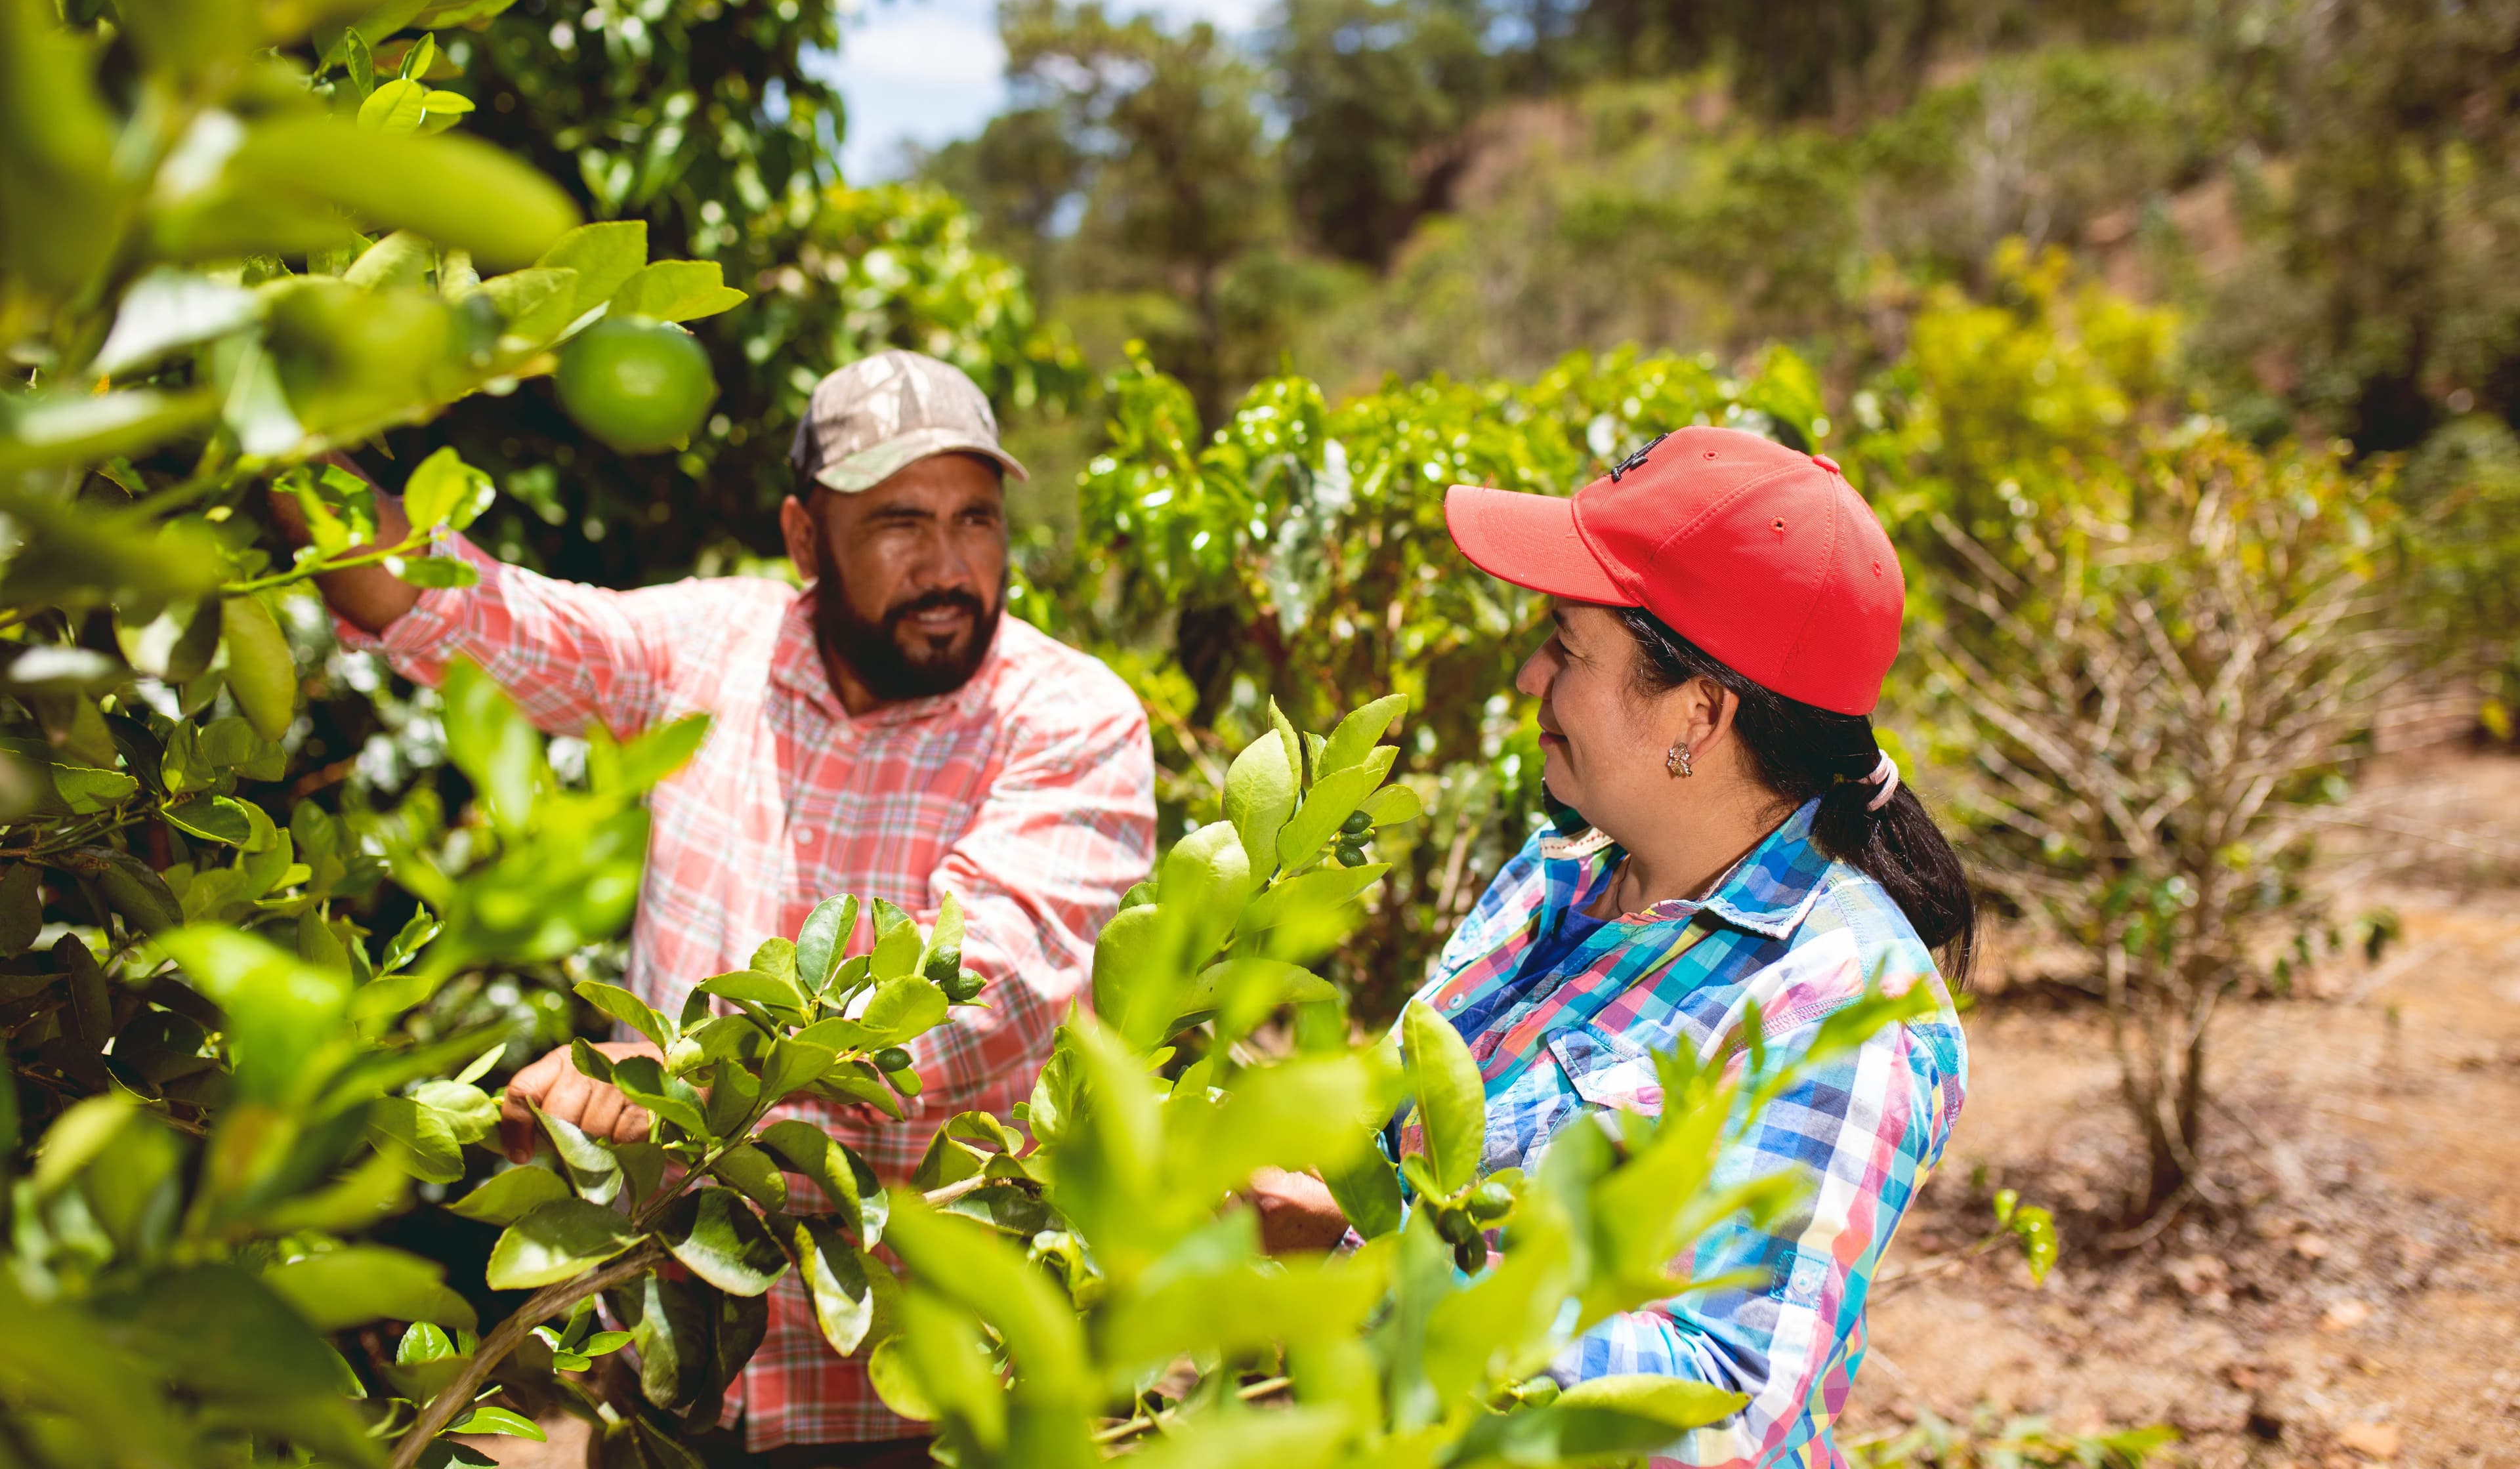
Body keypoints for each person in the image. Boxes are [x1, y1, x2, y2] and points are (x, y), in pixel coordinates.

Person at [299, 350, 1156, 1464]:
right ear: (806, 539)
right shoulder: (711, 648)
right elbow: (454, 610)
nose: (950, 565)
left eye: (976, 519)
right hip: (666, 1364)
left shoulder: (1068, 718)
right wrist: (264, 442)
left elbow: (983, 983)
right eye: (900, 522)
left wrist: (666, 1078)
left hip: (912, 1395)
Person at [1250, 425, 1972, 1468]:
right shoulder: (1560, 877)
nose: (1527, 672)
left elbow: (1720, 1419)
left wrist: (1358, 1261)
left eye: (1568, 646)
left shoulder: (1840, 1004)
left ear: (1700, 711)